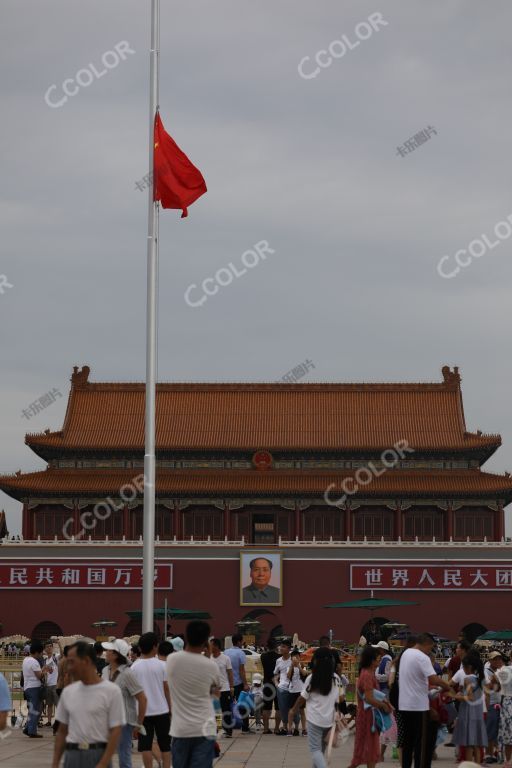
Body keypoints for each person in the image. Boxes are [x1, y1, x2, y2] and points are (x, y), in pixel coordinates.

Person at [52, 641, 125, 768]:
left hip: (98, 755)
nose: (68, 667)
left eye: (71, 662)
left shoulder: (111, 691)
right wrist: (55, 764)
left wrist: (103, 763)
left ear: (85, 661)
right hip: (72, 756)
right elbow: (62, 732)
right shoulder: (68, 692)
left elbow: (116, 731)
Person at [166, 620, 221, 768]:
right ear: (206, 640)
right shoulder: (212, 666)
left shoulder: (172, 660)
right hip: (205, 727)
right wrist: (208, 655)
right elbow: (216, 696)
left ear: (187, 638)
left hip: (181, 728)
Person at [398, 633, 452, 768]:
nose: (430, 651)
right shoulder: (422, 657)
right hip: (418, 707)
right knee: (421, 744)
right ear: (427, 644)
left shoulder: (406, 653)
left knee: (408, 742)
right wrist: (446, 685)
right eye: (431, 648)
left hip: (404, 705)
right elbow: (433, 679)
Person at [289, 646, 341, 768]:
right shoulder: (336, 679)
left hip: (314, 720)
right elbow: (338, 700)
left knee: (315, 751)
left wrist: (293, 710)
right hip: (329, 721)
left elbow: (302, 697)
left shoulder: (312, 678)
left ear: (316, 661)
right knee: (320, 751)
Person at [102, 638, 147, 768]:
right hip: (107, 720)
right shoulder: (105, 671)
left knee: (124, 758)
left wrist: (139, 723)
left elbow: (142, 699)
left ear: (116, 654)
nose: (106, 652)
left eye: (109, 650)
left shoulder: (127, 674)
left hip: (124, 723)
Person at [131, 631, 171, 768]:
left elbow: (133, 693)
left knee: (145, 746)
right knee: (165, 746)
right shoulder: (162, 665)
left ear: (140, 648)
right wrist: (171, 709)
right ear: (155, 647)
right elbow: (167, 690)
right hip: (162, 710)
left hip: (143, 713)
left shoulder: (134, 667)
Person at [349, 646, 391, 768]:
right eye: (378, 659)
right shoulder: (367, 675)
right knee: (370, 750)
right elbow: (368, 698)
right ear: (372, 660)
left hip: (367, 716)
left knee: (366, 751)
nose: (379, 662)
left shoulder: (366, 673)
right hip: (368, 718)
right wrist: (383, 705)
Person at [449, 654, 488, 762]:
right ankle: (477, 764)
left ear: (469, 667)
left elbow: (470, 697)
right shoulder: (480, 679)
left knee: (469, 745)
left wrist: (454, 696)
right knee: (476, 744)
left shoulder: (467, 679)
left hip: (468, 714)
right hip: (478, 713)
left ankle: (469, 764)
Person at [22, 639, 52, 738]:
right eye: (40, 652)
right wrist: (45, 671)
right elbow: (39, 676)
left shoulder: (26, 660)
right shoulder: (34, 662)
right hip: (34, 688)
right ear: (37, 652)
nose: (41, 654)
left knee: (34, 709)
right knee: (35, 710)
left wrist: (43, 669)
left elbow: (33, 673)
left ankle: (28, 728)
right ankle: (32, 731)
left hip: (27, 687)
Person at [225, 633, 250, 733]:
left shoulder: (226, 652)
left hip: (227, 684)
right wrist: (245, 684)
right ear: (239, 642)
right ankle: (244, 727)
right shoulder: (241, 653)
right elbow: (241, 670)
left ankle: (228, 728)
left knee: (228, 706)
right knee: (243, 705)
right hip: (238, 683)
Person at [209, 638, 234, 737]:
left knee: (226, 710)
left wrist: (232, 686)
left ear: (216, 646)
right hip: (212, 690)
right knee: (214, 710)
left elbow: (230, 673)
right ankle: (216, 729)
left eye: (211, 645)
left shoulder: (225, 658)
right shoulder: (209, 658)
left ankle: (228, 731)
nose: (209, 647)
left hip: (224, 688)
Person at [484, 651, 505, 763]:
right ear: (490, 660)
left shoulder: (499, 671)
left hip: (499, 703)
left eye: (499, 659)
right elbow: (490, 687)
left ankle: (495, 753)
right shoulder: (486, 671)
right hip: (491, 704)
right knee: (490, 730)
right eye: (495, 659)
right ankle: (488, 754)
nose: (498, 661)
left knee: (498, 730)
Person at [260, 637, 281, 734]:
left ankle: (266, 729)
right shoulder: (279, 657)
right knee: (278, 707)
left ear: (267, 646)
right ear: (276, 646)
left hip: (267, 683)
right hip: (277, 683)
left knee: (266, 707)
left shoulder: (263, 656)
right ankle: (276, 728)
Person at [286, 649, 308, 736]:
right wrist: (292, 666)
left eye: (297, 658)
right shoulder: (289, 667)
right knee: (291, 710)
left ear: (299, 658)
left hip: (301, 692)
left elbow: (304, 674)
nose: (295, 659)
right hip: (292, 691)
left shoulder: (302, 667)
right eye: (293, 658)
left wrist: (298, 666)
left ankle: (304, 729)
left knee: (302, 711)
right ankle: (289, 729)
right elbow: (288, 676)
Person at [274, 639, 293, 735]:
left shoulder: (293, 659)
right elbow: (275, 674)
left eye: (284, 647)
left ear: (289, 649)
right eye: (281, 646)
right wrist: (277, 684)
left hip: (293, 687)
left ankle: (294, 727)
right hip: (281, 688)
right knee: (283, 708)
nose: (281, 648)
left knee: (293, 708)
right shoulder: (278, 660)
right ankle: (285, 727)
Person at [496, 661, 512, 767]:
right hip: (507, 701)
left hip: (508, 701)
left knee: (507, 733)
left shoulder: (505, 670)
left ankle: (508, 760)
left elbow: (494, 680)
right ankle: (507, 761)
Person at [44, 641, 59, 727]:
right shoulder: (45, 660)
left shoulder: (55, 657)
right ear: (45, 649)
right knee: (49, 704)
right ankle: (49, 721)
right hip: (48, 684)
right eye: (47, 647)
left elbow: (63, 655)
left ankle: (58, 722)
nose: (49, 648)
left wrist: (59, 644)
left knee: (57, 704)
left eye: (50, 646)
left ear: (52, 648)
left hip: (55, 684)